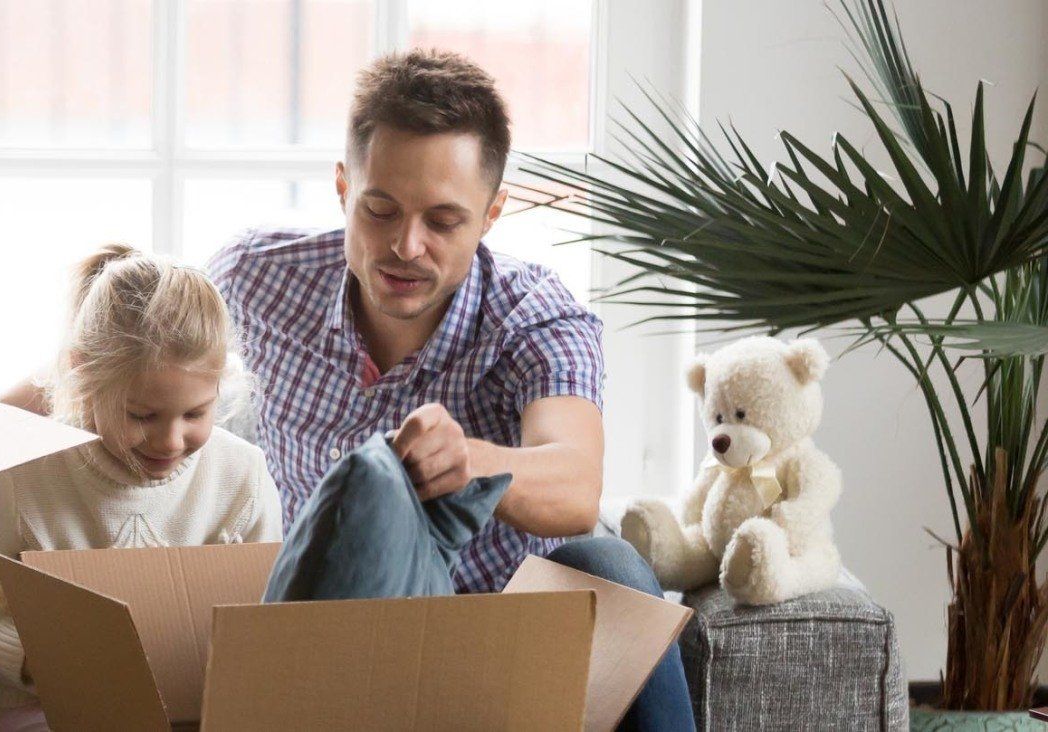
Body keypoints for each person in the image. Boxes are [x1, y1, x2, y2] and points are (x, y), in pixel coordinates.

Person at [205, 49, 694, 730]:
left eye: (442, 221)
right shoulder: (255, 278)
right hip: (334, 640)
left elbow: (576, 483)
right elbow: (114, 361)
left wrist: (470, 461)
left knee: (609, 562)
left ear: (492, 213)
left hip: (499, 654)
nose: (407, 246)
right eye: (380, 210)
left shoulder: (534, 315)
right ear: (343, 188)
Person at [0, 245, 284, 732]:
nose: (171, 441)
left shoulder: (242, 473)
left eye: (196, 414)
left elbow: (269, 610)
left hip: (188, 708)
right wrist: (18, 653)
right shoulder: (19, 478)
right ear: (82, 376)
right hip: (40, 707)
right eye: (142, 416)